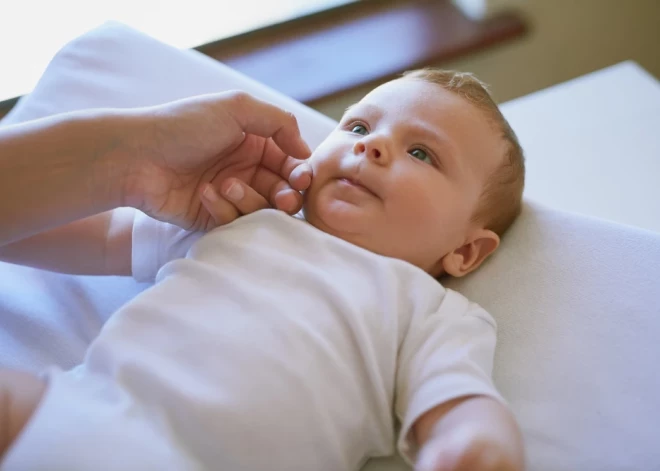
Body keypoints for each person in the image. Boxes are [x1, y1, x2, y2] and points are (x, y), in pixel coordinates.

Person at [0, 68, 526, 471]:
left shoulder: (429, 310)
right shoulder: (238, 217)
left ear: (466, 252)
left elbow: (459, 402)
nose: (373, 144)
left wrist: (474, 445)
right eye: (359, 125)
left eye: (421, 152)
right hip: (89, 416)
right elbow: (103, 237)